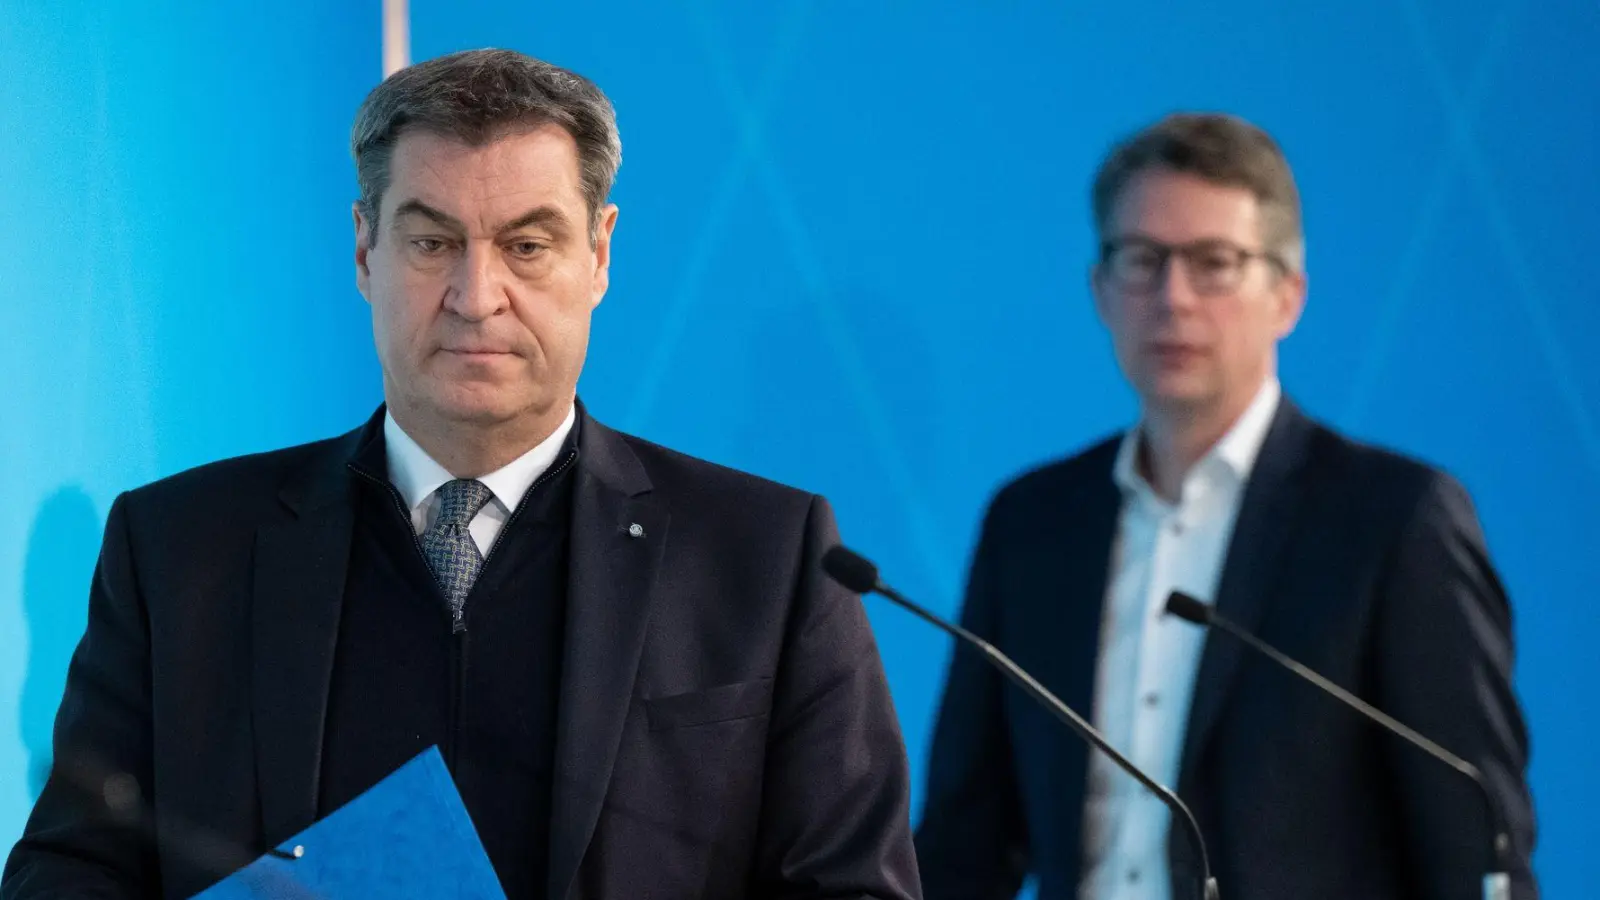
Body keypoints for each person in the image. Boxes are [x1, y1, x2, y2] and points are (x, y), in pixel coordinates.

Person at [3, 49, 920, 900]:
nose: (476, 297)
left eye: (527, 245)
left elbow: (855, 887)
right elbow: (71, 872)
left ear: (599, 253)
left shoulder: (766, 558)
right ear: (365, 250)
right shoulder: (177, 549)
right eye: (432, 242)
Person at [913, 112, 1537, 900]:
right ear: (1100, 291)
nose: (1173, 298)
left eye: (1214, 263)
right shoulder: (1032, 524)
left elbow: (1473, 844)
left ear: (1288, 295)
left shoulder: (1392, 520)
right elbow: (965, 841)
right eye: (1141, 260)